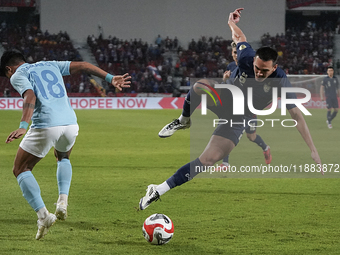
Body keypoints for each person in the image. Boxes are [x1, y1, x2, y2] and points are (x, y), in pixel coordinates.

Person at [139, 8, 322, 210]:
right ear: (253, 61)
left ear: (275, 68)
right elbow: (239, 36)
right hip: (225, 100)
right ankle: (183, 121)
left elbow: (296, 114)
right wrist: (230, 23)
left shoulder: (281, 81)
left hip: (240, 116)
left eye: (264, 71)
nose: (259, 73)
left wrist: (313, 149)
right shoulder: (246, 58)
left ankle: (158, 189)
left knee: (207, 161)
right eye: (257, 68)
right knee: (199, 85)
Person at [1, 50, 131, 240]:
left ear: (9, 69)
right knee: (63, 157)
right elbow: (84, 66)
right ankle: (62, 201)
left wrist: (22, 126)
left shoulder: (18, 74)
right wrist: (110, 78)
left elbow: (30, 96)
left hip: (46, 124)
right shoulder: (50, 64)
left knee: (21, 169)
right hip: (70, 123)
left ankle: (43, 216)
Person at [158, 41, 272, 166]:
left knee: (251, 137)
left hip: (246, 110)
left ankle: (265, 148)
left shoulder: (252, 68)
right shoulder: (231, 67)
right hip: (230, 104)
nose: (235, 55)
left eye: (237, 53)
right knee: (224, 126)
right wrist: (225, 80)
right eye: (234, 53)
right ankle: (225, 163)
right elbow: (228, 86)